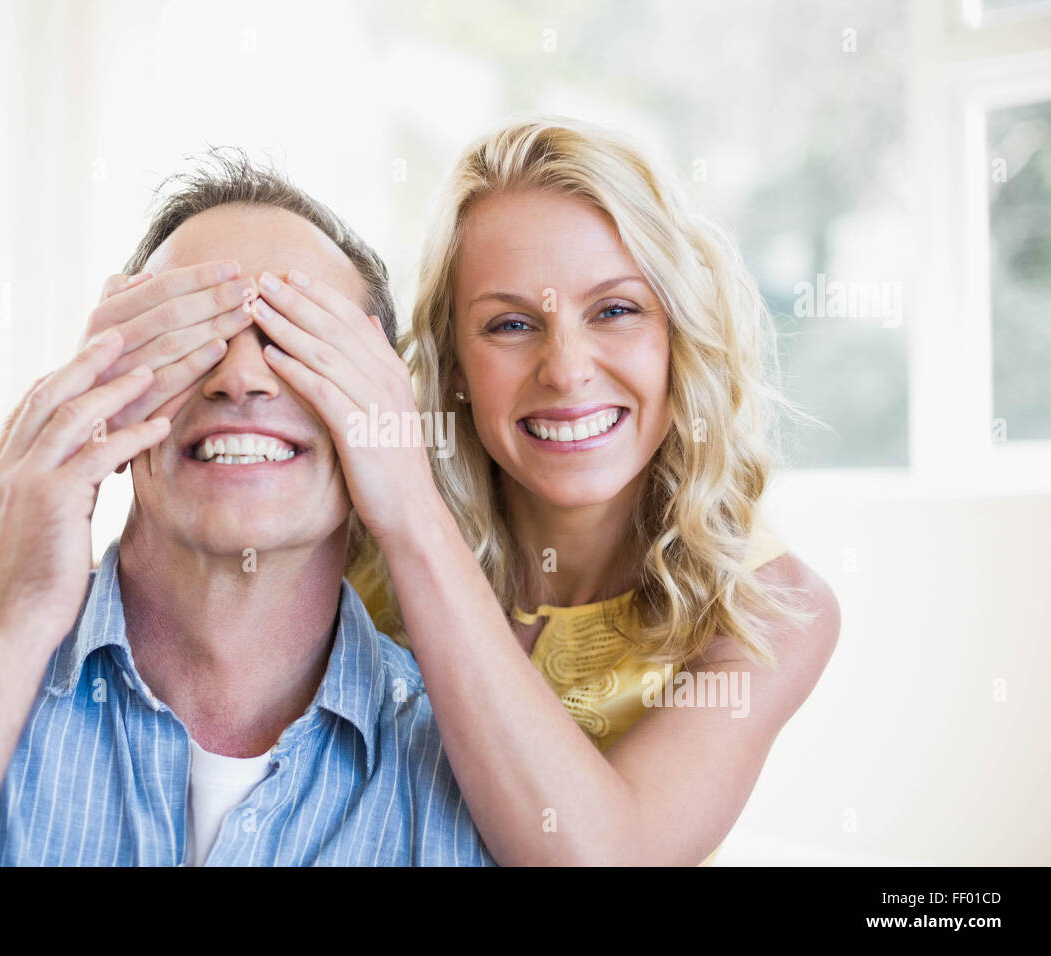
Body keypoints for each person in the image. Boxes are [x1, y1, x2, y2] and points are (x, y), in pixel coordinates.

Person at [0, 152, 494, 866]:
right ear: (101, 384)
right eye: (191, 335)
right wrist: (4, 633)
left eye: (298, 338)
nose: (240, 377)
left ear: (388, 405)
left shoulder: (473, 778)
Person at [243, 117, 841, 866]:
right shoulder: (353, 535)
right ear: (453, 363)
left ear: (678, 334)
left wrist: (413, 520)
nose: (566, 370)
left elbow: (605, 857)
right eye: (512, 324)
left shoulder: (773, 614)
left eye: (616, 310)